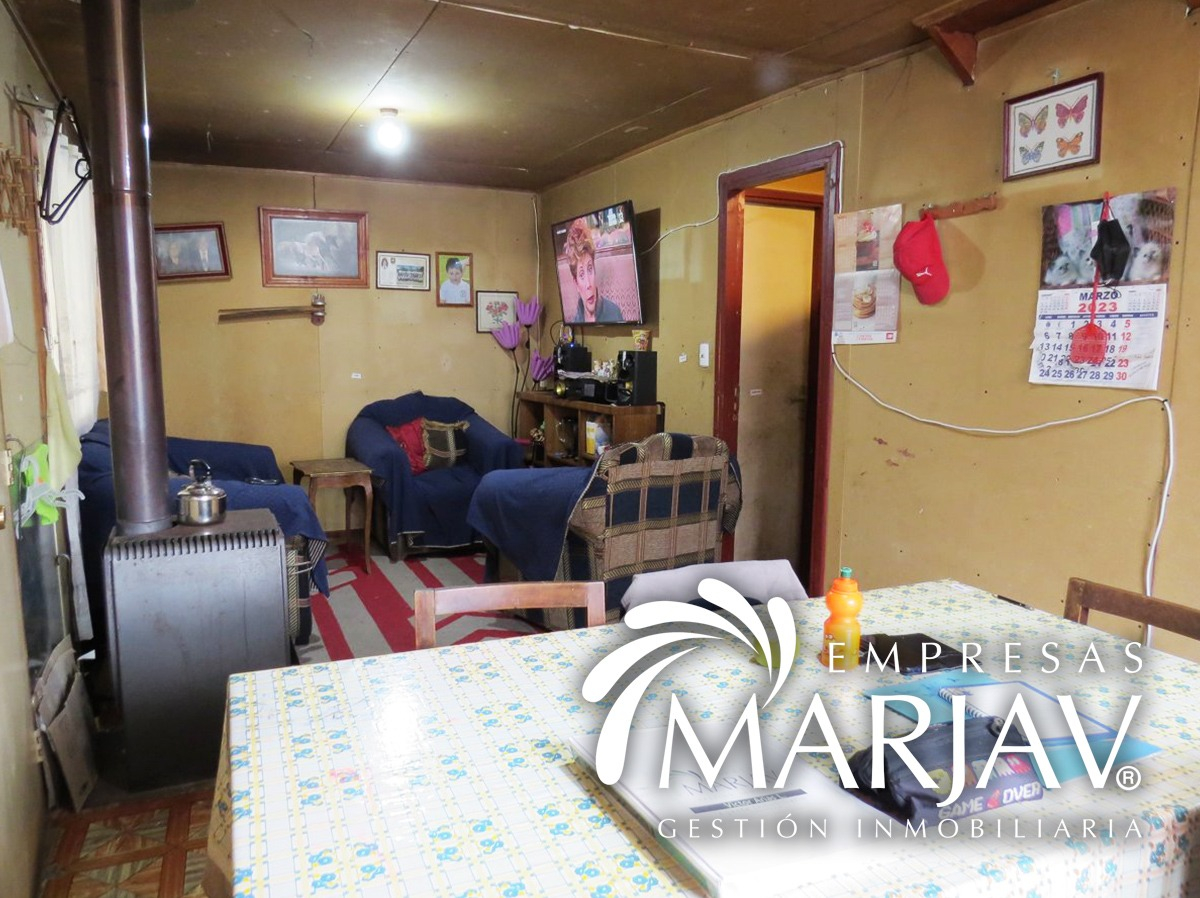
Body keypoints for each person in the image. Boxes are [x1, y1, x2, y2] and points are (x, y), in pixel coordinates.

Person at [564, 218, 622, 323]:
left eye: (590, 269)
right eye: (581, 274)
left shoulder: (614, 313)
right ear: (576, 283)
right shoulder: (574, 324)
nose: (588, 284)